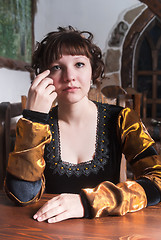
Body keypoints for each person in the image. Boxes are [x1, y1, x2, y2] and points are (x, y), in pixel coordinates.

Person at [5, 26, 161, 224]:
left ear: (92, 71)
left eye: (79, 64)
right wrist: (35, 118)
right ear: (43, 77)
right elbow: (22, 195)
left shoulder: (122, 119)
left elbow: (157, 180)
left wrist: (87, 202)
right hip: (48, 232)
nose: (69, 76)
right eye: (56, 67)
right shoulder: (36, 126)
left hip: (109, 232)